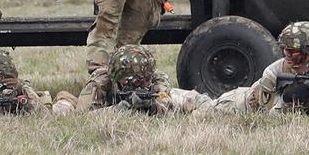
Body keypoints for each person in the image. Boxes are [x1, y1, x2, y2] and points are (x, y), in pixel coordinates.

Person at [211, 21, 309, 114]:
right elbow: (266, 115)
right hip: (236, 105)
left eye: (293, 51)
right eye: (285, 49)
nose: (287, 54)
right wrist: (287, 100)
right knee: (204, 107)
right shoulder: (273, 72)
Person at [54, 44, 209, 115]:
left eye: (146, 80)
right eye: (138, 82)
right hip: (107, 107)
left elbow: (166, 103)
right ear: (120, 79)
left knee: (184, 98)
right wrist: (123, 107)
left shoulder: (155, 79)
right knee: (63, 109)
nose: (145, 84)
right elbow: (84, 115)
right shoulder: (102, 81)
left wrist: (151, 106)